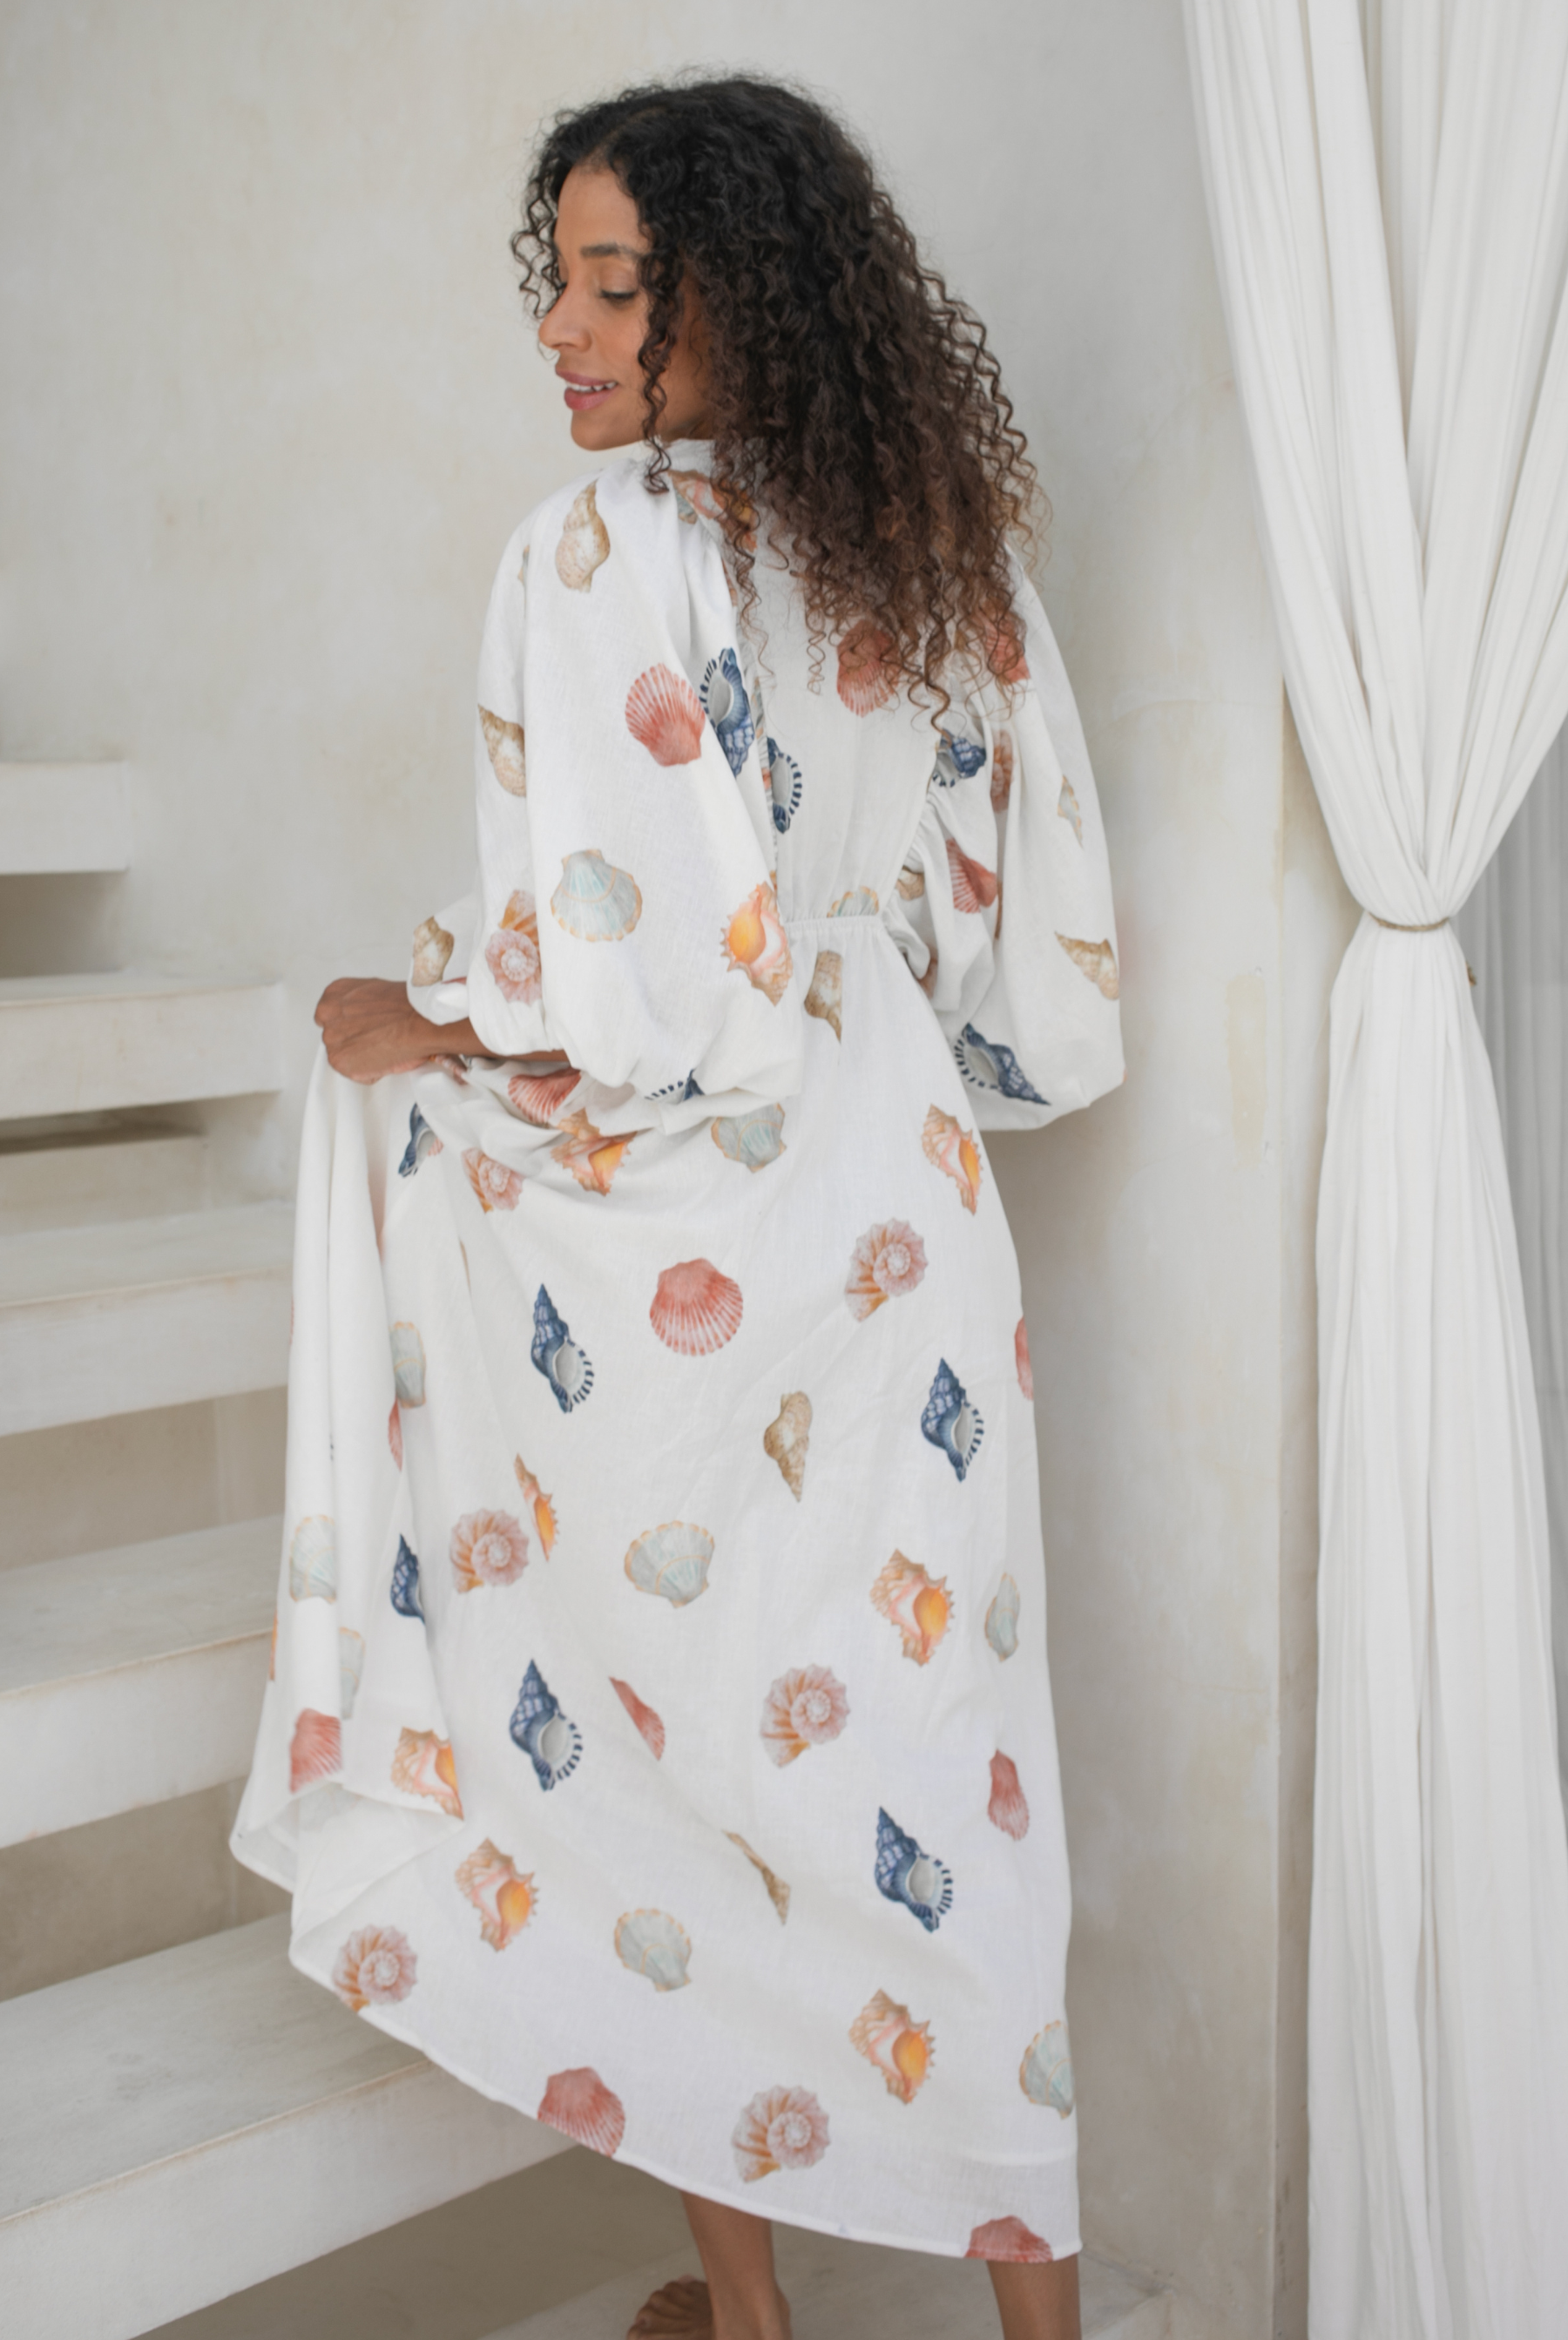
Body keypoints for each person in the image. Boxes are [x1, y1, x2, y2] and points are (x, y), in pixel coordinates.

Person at [233, 74, 1121, 2340]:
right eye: (562, 279)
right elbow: (1029, 985)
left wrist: (433, 1010)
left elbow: (626, 982)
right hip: (908, 1222)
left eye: (615, 284)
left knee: (649, 1752)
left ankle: (751, 2318)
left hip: (696, 1240)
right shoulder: (947, 553)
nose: (564, 327)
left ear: (742, 292)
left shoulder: (601, 548)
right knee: (946, 1781)